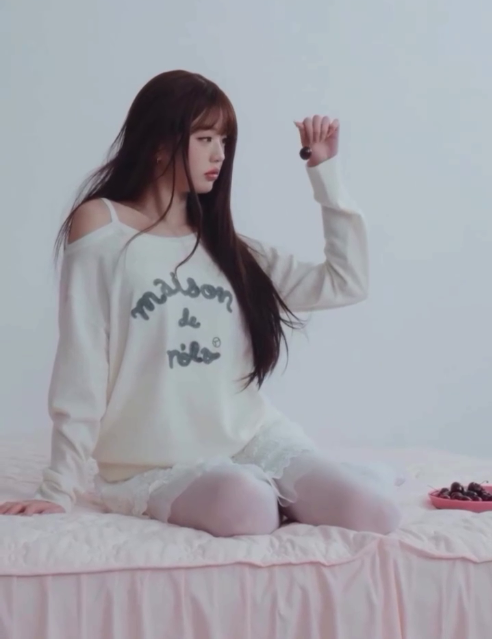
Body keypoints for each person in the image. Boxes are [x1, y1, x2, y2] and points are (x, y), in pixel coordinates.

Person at [0, 70, 403, 536]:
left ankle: (328, 482)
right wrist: (58, 488)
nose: (219, 155)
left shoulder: (229, 249)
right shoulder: (102, 225)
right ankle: (282, 490)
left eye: (224, 140)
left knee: (377, 513)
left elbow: (346, 282)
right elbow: (83, 358)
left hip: (253, 439)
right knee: (249, 508)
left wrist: (324, 175)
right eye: (205, 138)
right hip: (153, 463)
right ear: (160, 143)